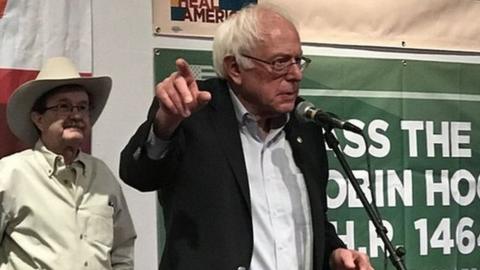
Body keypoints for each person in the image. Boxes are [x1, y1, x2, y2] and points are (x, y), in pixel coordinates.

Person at [120, 3, 372, 270]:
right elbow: (138, 175)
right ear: (235, 68)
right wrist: (164, 125)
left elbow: (312, 221)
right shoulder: (194, 113)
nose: (296, 74)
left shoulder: (305, 128)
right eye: (280, 62)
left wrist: (334, 252)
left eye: (298, 60)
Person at [0, 57, 136, 269]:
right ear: (38, 119)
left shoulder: (103, 176)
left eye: (82, 107)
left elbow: (122, 249)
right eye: (64, 107)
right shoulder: (10, 174)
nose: (76, 115)